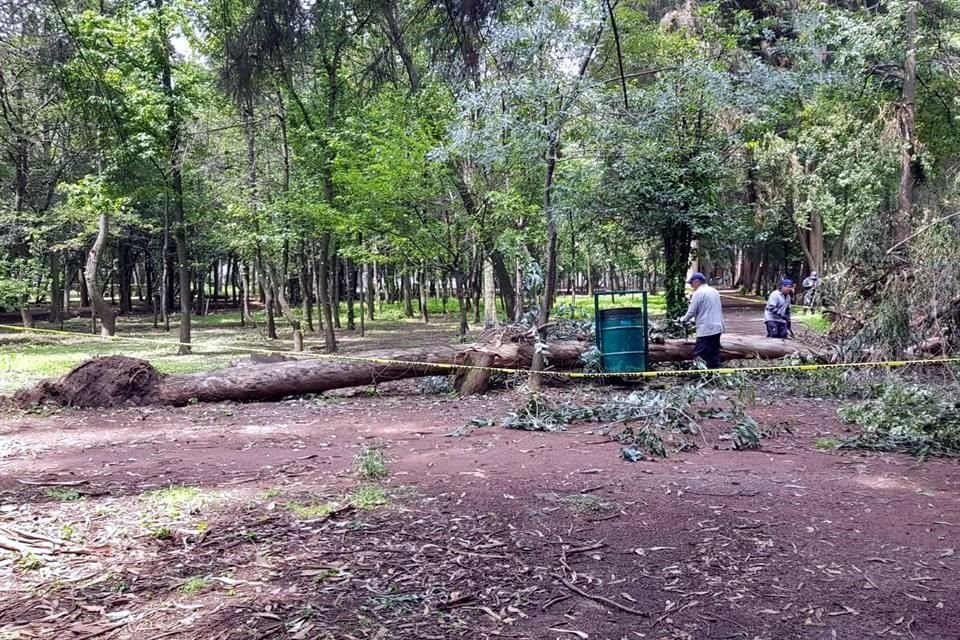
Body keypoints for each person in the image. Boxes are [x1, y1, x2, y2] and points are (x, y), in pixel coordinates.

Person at [678, 272, 725, 369]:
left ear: (697, 281)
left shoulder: (698, 293)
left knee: (700, 355)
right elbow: (708, 309)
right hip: (717, 327)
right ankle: (714, 375)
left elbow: (691, 312)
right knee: (713, 354)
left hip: (706, 329)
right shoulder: (714, 291)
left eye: (691, 283)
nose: (691, 285)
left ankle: (700, 376)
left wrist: (682, 320)